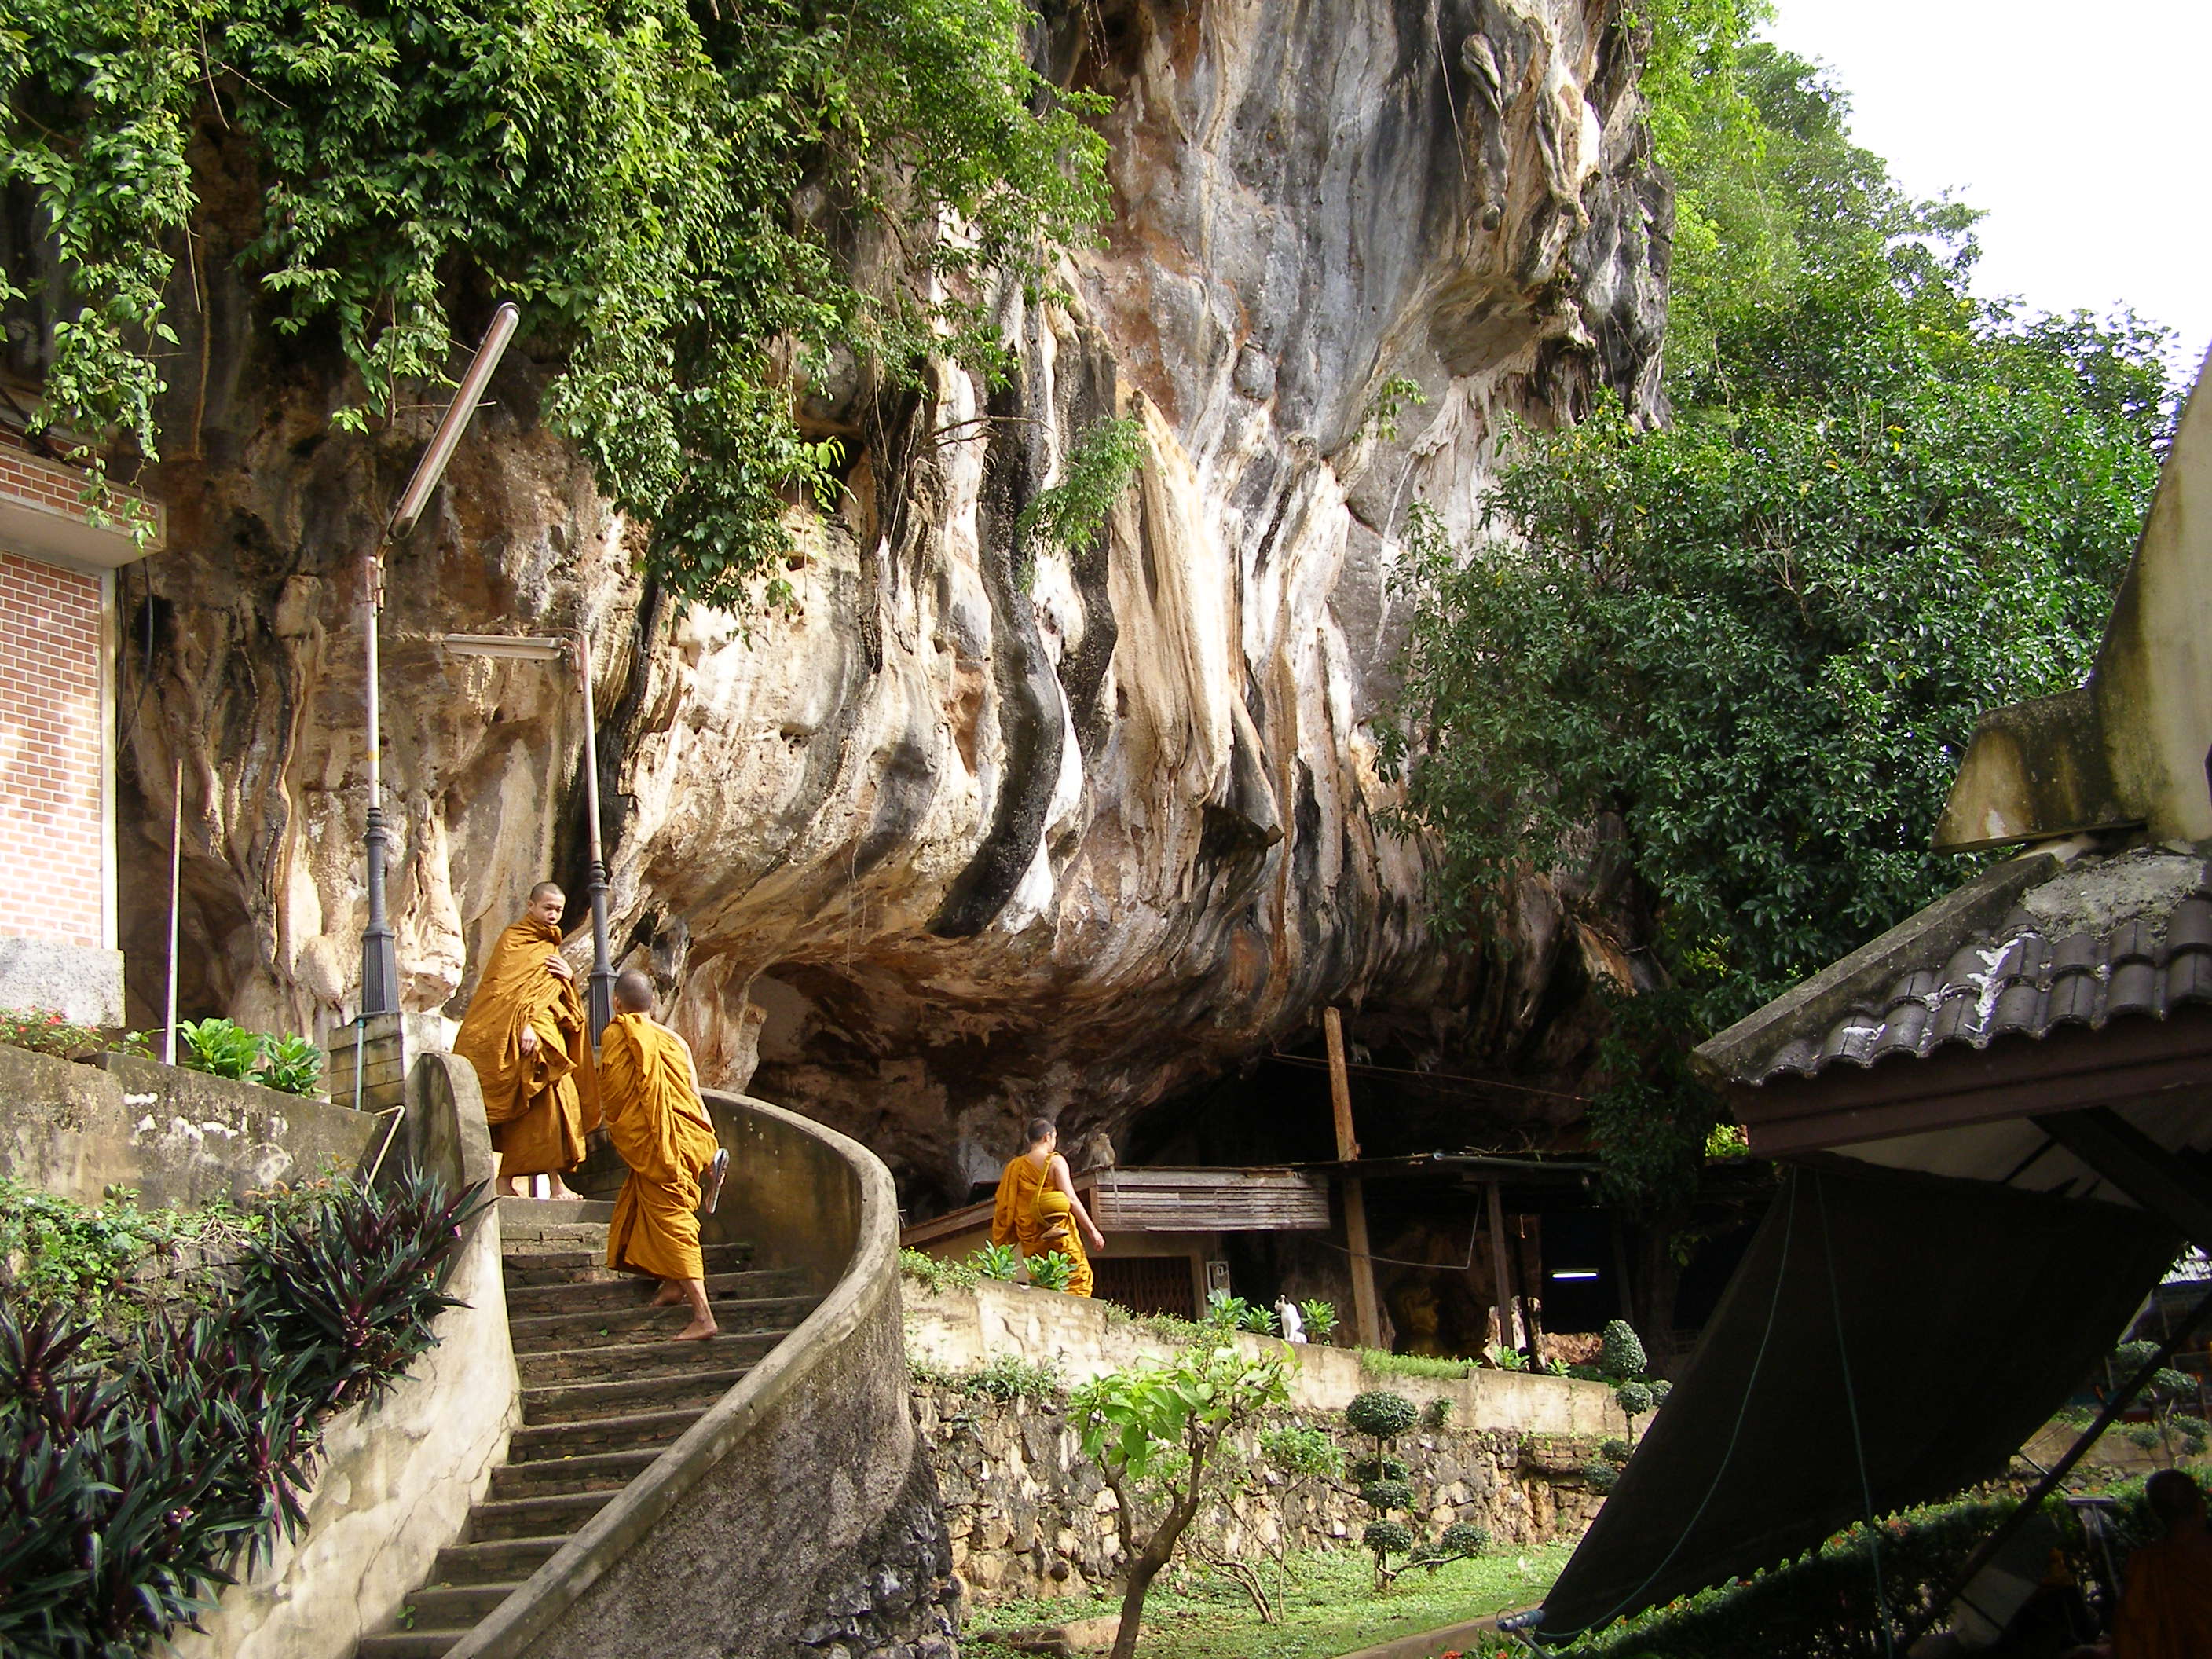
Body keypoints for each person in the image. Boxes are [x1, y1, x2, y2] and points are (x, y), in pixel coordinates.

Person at [598, 969, 727, 1342]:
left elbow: (617, 1099)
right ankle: (672, 1285)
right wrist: (710, 1146)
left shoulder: (617, 1034)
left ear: (617, 1003)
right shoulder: (675, 1040)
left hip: (659, 1148)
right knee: (652, 1211)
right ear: (652, 1003)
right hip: (690, 1142)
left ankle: (703, 1316)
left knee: (674, 1225)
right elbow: (694, 1096)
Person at [452, 882, 599, 1199]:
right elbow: (502, 994)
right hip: (525, 1039)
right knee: (534, 1107)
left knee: (560, 1104)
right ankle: (508, 1181)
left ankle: (554, 1183)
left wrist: (570, 979)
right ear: (531, 905)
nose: (553, 915)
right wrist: (523, 1026)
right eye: (547, 908)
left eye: (558, 910)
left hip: (550, 1036)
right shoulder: (513, 941)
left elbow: (560, 1001)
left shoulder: (550, 948)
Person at [990, 1117, 1105, 1297]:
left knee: (1042, 1278)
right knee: (1077, 1277)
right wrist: (1092, 1231)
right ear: (1047, 1137)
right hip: (1059, 1233)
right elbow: (1071, 1199)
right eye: (1054, 1138)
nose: (1055, 1143)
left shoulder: (1015, 1167)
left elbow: (1008, 1205)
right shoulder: (1055, 1162)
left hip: (1031, 1236)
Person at [2109, 1467, 2212, 1658]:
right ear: (2201, 1506)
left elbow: (2130, 1636)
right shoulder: (2148, 1564)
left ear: (2155, 1514)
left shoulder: (2145, 1564)